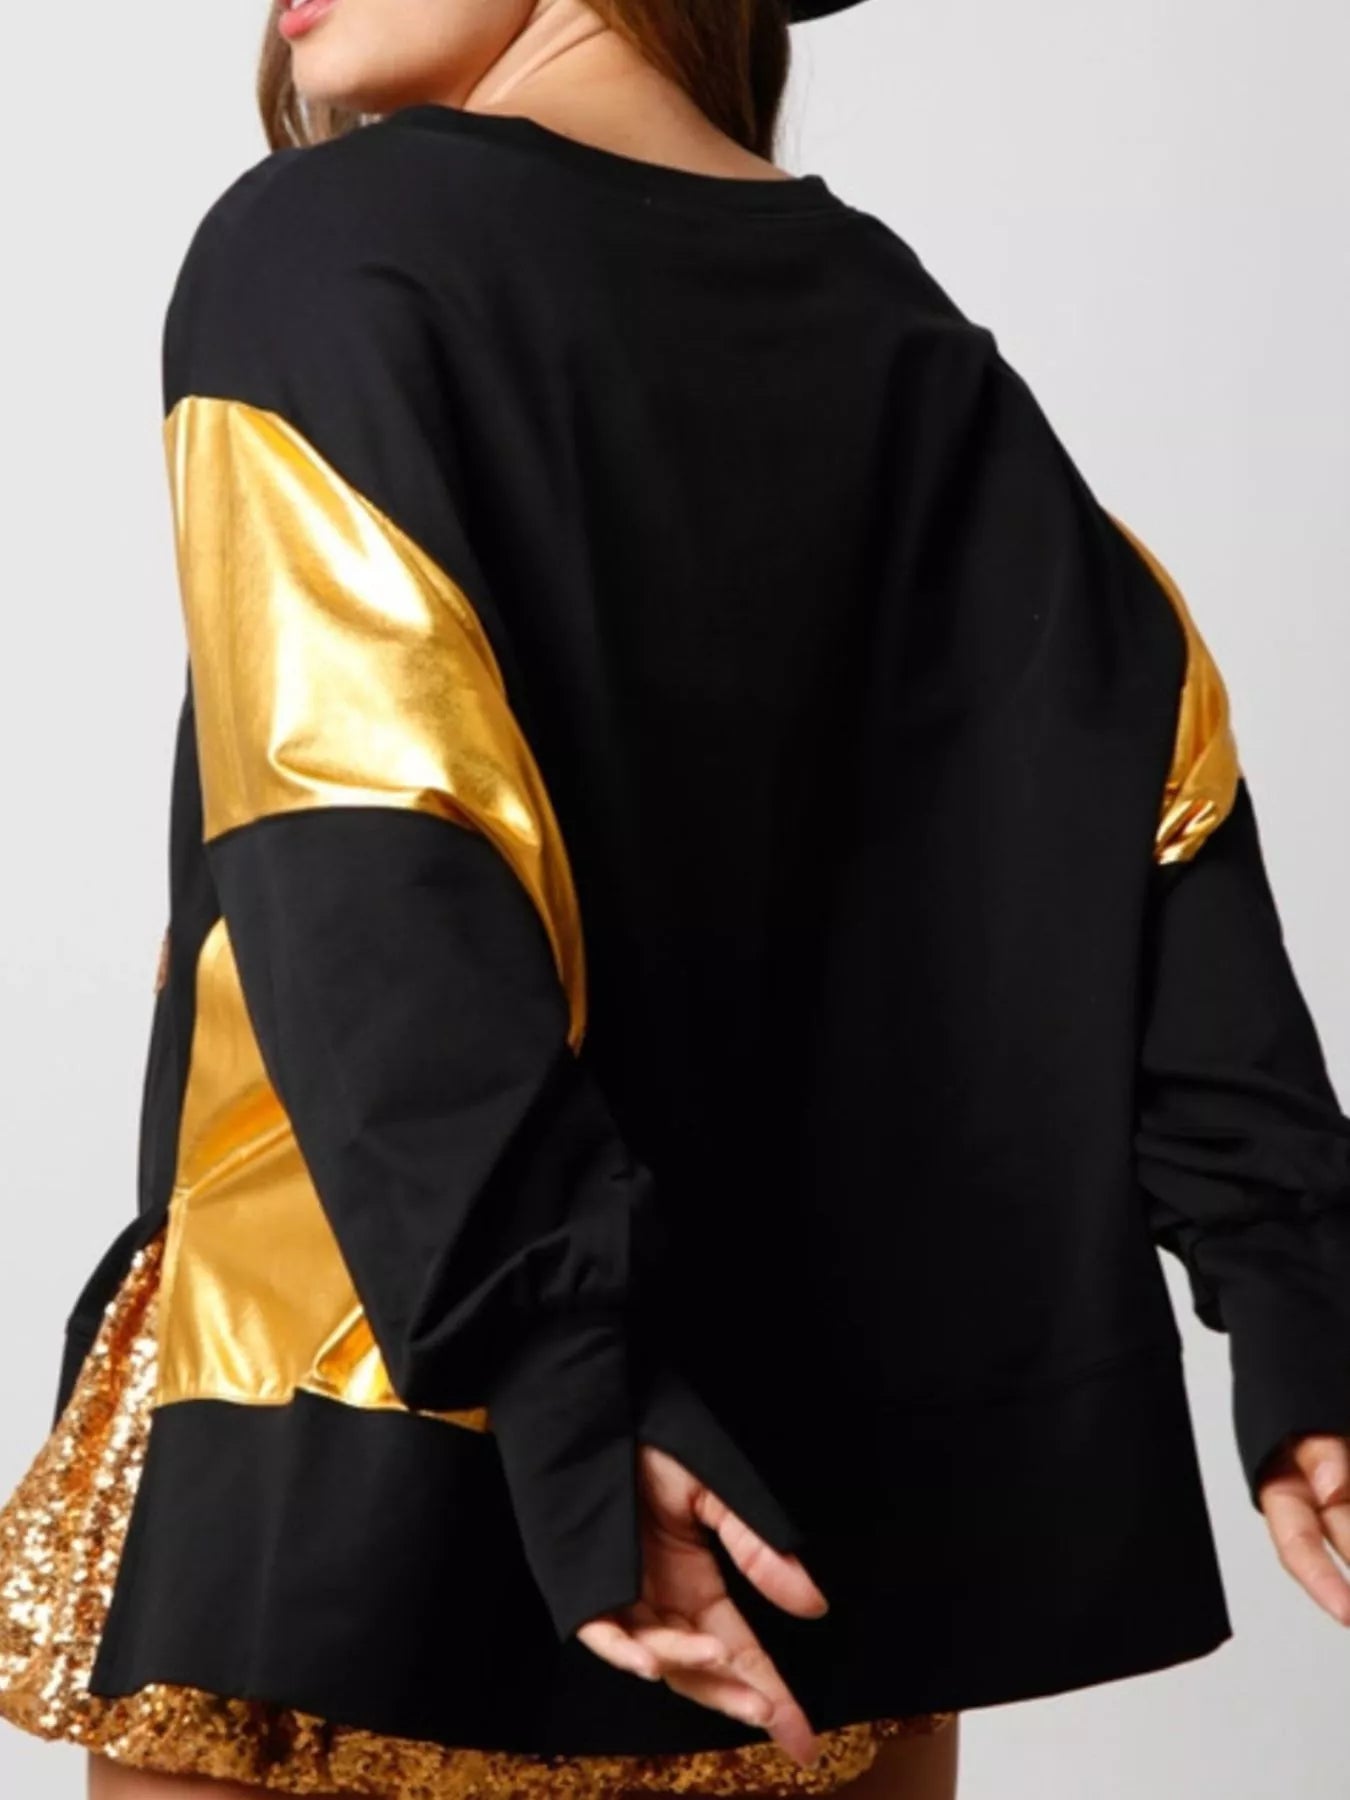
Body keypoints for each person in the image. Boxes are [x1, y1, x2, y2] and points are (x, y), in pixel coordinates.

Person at [1, 2, 1347, 1798]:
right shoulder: (901, 324)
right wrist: (1293, 1294)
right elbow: (1141, 807)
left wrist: (565, 1378)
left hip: (396, 1438)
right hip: (818, 1520)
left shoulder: (327, 243)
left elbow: (366, 839)